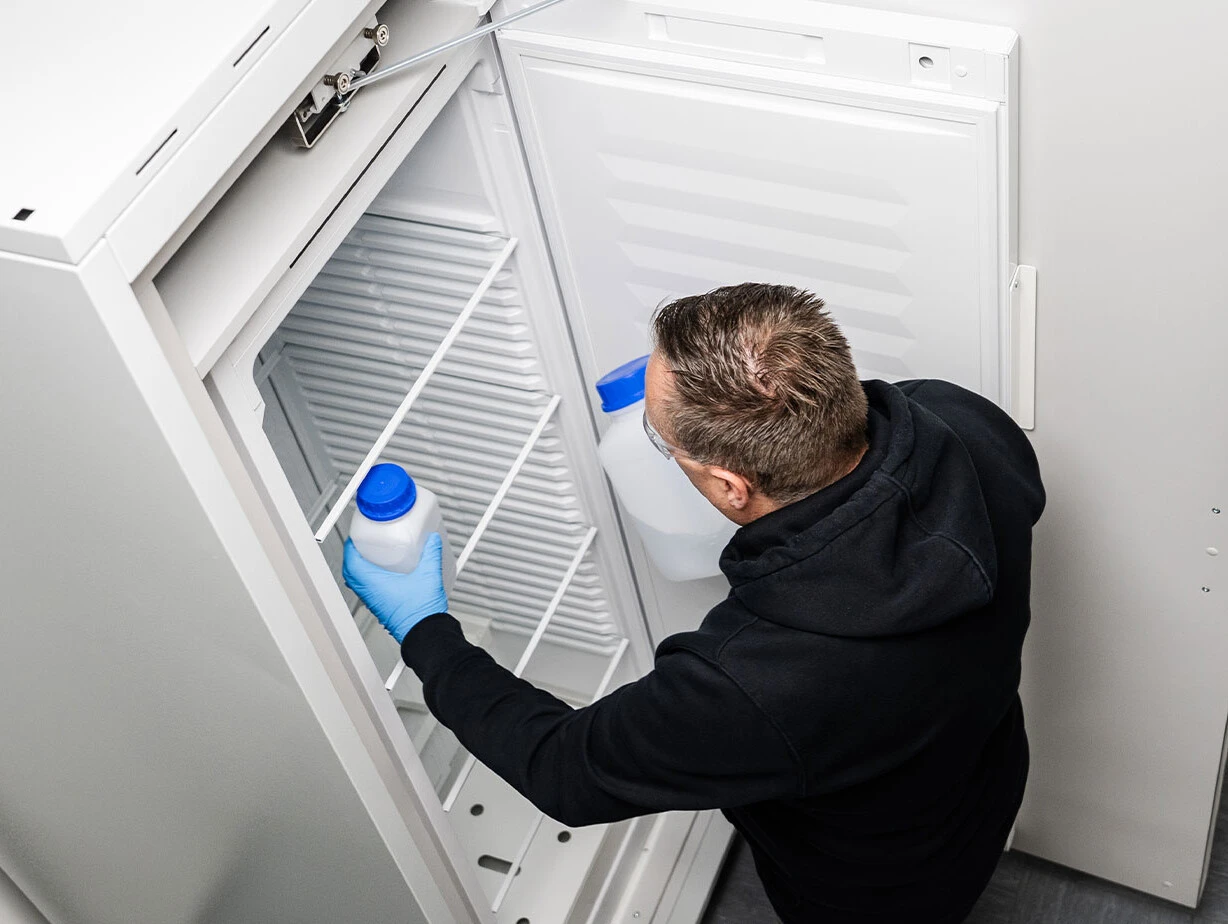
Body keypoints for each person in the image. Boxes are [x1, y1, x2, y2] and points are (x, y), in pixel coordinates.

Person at [343, 283, 1045, 924]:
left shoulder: (755, 681)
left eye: (659, 438)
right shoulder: (964, 421)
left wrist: (425, 628)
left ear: (731, 486)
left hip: (868, 890)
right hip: (984, 779)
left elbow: (563, 770)